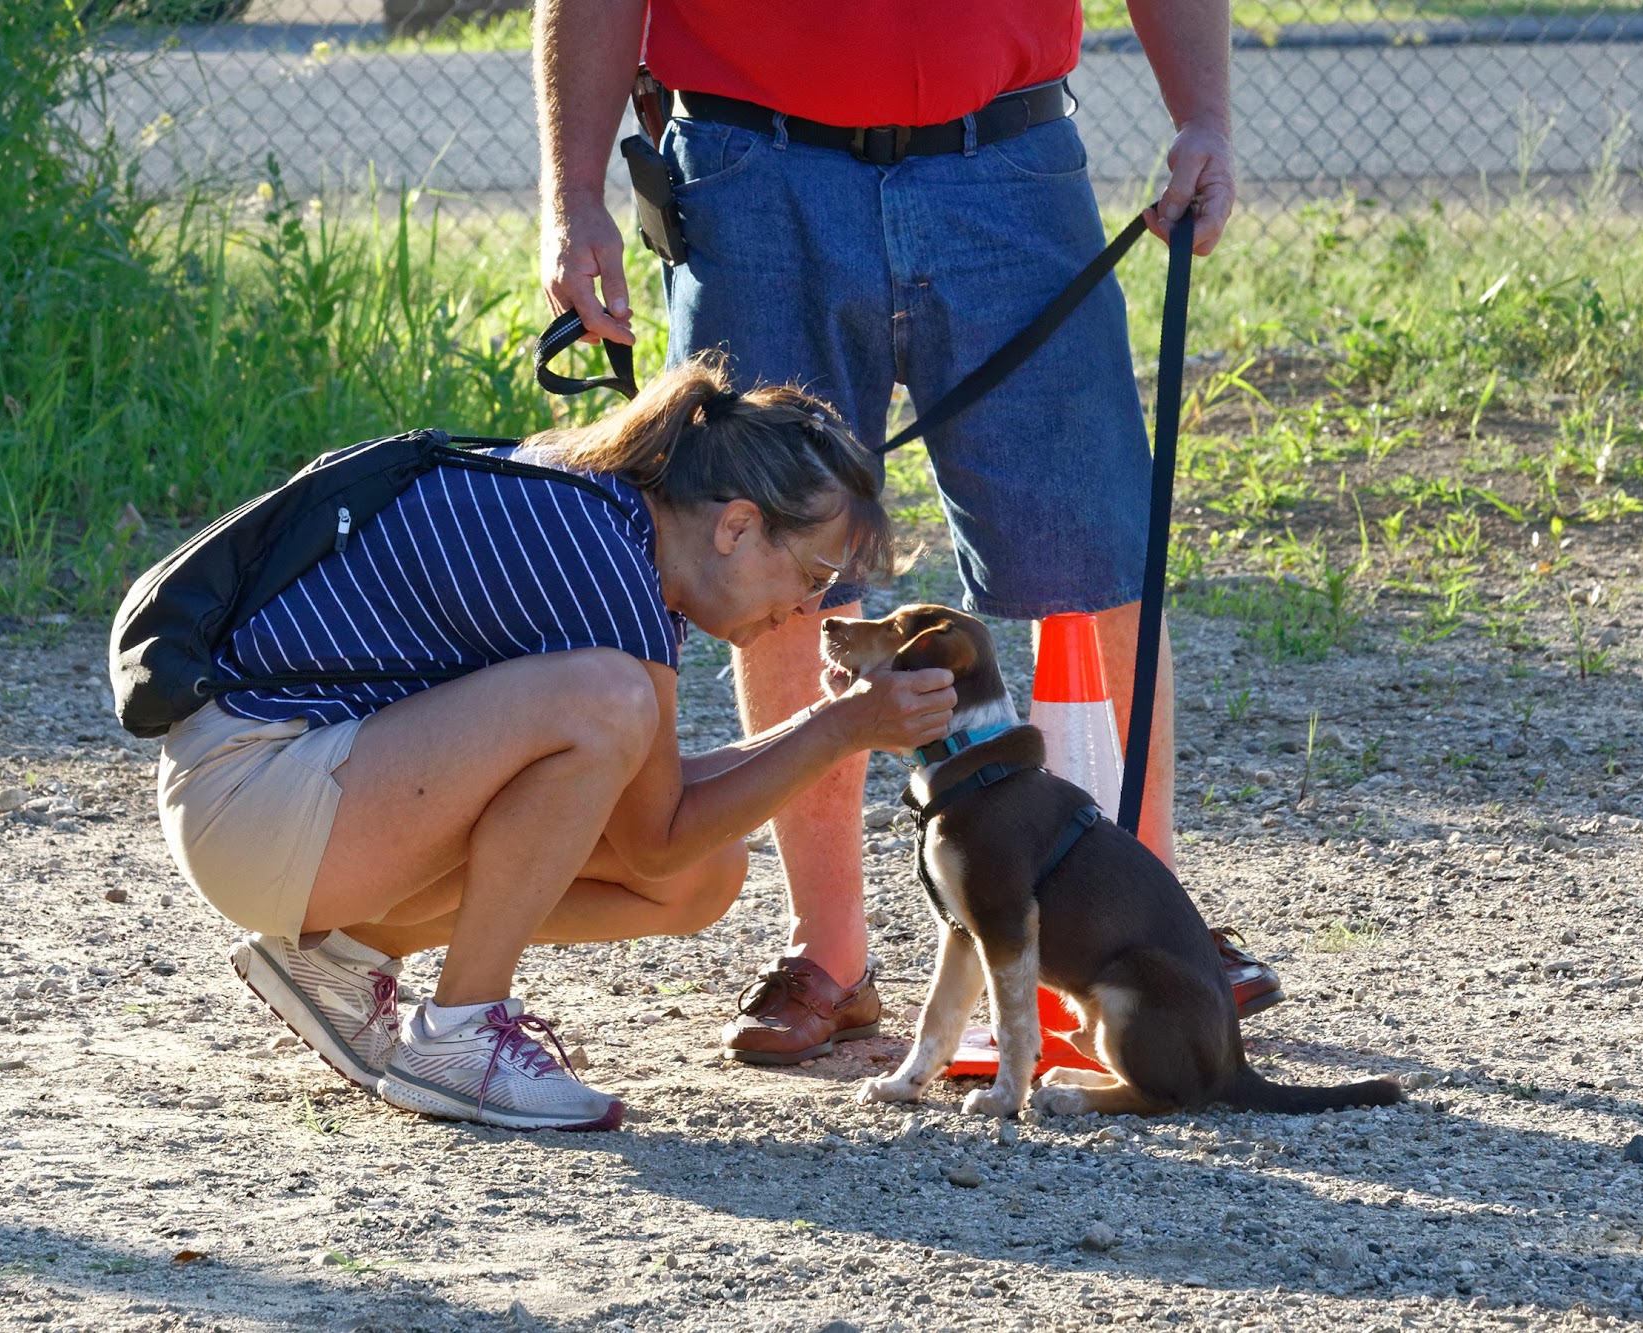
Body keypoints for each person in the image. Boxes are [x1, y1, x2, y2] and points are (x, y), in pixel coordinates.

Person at [536, 0, 1282, 1065]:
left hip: (1006, 163)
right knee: (773, 558)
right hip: (751, 168)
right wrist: (570, 196)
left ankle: (1144, 915)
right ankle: (827, 955)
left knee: (1095, 552)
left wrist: (1203, 115)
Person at [154, 358, 957, 1130]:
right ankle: (462, 1036)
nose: (807, 608)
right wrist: (843, 727)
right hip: (252, 789)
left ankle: (341, 956)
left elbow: (671, 842)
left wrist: (836, 723)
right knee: (607, 702)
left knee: (705, 874)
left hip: (301, 793)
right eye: (813, 577)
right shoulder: (605, 564)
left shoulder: (621, 528)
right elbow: (654, 837)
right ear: (738, 526)